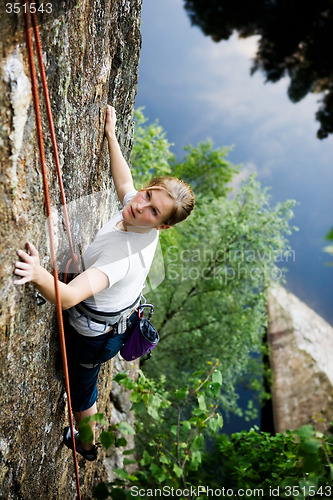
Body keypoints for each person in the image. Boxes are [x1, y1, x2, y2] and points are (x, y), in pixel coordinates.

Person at [13, 105, 195, 461]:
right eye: (147, 195)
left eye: (154, 211)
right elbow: (124, 182)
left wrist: (36, 273)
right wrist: (111, 135)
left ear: (162, 226)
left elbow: (66, 298)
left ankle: (85, 443)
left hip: (95, 337)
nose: (140, 206)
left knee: (81, 389)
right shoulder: (137, 209)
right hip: (108, 311)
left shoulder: (123, 255)